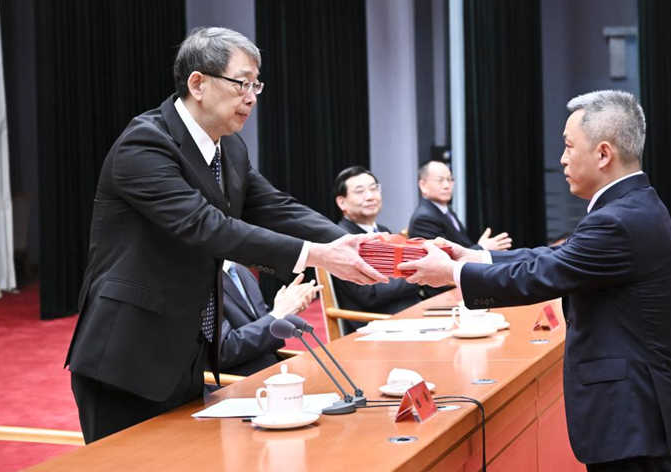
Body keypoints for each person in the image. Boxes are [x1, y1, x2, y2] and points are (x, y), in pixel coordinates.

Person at [65, 27, 386, 443]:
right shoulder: (144, 145)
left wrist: (361, 245)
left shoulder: (229, 148)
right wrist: (320, 256)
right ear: (198, 83)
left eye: (257, 84)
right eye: (242, 83)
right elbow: (206, 227)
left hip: (184, 351)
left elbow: (276, 207)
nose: (251, 97)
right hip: (126, 353)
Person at [400, 90, 671, 472]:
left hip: (634, 417)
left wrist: (453, 272)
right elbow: (557, 256)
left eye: (569, 146)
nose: (561, 159)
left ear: (604, 153)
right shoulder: (631, 204)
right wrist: (475, 255)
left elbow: (543, 274)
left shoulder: (618, 219)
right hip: (640, 412)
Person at [331, 166, 425, 333]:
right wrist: (419, 274)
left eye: (373, 189)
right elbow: (370, 294)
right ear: (342, 202)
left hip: (407, 314)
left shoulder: (383, 230)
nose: (370, 196)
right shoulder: (342, 240)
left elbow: (393, 280)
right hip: (375, 325)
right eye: (360, 191)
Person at [219, 262, 320, 376]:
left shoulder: (240, 270)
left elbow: (262, 320)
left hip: (271, 369)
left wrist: (289, 308)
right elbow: (224, 351)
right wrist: (278, 314)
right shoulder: (200, 282)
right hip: (234, 382)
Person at [407, 160, 512, 250]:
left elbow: (462, 247)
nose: (447, 185)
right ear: (423, 185)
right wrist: (482, 248)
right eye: (440, 180)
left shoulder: (446, 211)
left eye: (450, 179)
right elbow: (442, 260)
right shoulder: (424, 219)